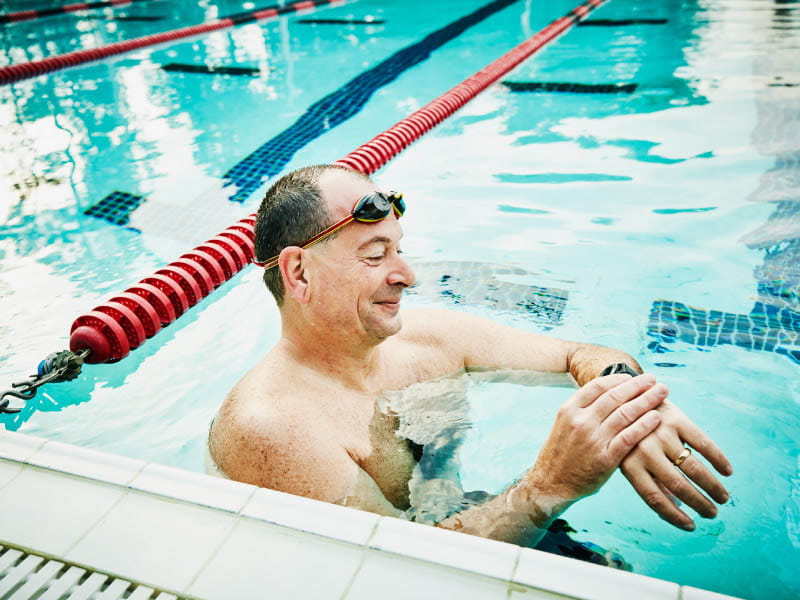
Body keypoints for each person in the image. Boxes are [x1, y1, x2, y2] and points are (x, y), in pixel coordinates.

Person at [208, 164, 733, 550]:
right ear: (299, 273)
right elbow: (399, 578)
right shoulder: (271, 428)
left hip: (462, 523)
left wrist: (627, 405)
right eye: (375, 255)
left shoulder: (432, 340)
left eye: (398, 250)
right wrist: (549, 486)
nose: (406, 275)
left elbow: (581, 354)